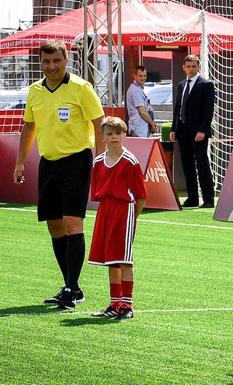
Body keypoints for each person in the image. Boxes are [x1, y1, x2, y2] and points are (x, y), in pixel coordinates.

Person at [13, 39, 104, 309]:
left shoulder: (81, 88)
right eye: (46, 61)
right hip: (48, 163)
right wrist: (20, 162)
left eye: (56, 61)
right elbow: (29, 127)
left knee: (72, 223)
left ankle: (71, 287)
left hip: (77, 160)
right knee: (54, 226)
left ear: (66, 60)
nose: (51, 66)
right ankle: (71, 286)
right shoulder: (35, 91)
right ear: (41, 63)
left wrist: (100, 159)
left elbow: (99, 123)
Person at [88, 117, 147, 320]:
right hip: (105, 211)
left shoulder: (130, 161)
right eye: (109, 134)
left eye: (118, 133)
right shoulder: (97, 162)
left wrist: (132, 216)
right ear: (103, 137)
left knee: (124, 260)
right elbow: (97, 190)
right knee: (110, 259)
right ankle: (115, 303)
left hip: (124, 210)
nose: (114, 137)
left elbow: (141, 195)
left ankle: (127, 305)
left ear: (124, 135)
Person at [170, 54, 216, 209]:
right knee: (187, 164)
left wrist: (203, 130)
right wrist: (174, 128)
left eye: (194, 66)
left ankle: (208, 198)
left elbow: (209, 110)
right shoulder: (182, 84)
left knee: (202, 164)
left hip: (199, 132)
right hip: (183, 131)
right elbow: (178, 108)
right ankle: (192, 197)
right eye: (188, 66)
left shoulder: (206, 84)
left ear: (198, 67)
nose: (191, 69)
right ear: (183, 67)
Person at [126, 65, 157, 137]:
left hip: (141, 128)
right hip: (138, 129)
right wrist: (152, 124)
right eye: (140, 76)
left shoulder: (138, 89)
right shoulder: (135, 90)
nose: (143, 78)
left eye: (144, 76)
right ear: (134, 76)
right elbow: (142, 112)